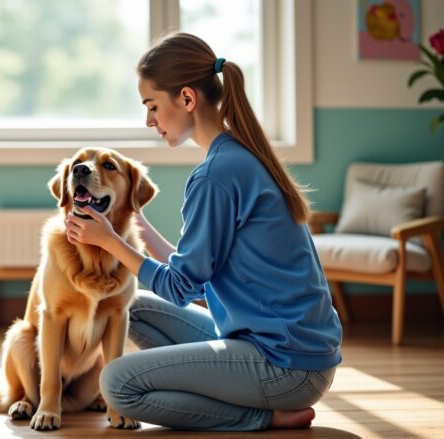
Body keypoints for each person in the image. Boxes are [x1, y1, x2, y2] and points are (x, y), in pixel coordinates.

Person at [64, 32, 342, 432]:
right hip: (284, 348)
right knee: (135, 307)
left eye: (153, 106)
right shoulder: (238, 154)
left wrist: (109, 241)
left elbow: (179, 288)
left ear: (187, 99)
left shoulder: (215, 176)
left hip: (285, 367)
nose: (150, 121)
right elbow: (195, 281)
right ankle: (227, 389)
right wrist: (136, 225)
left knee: (117, 384)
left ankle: (263, 416)